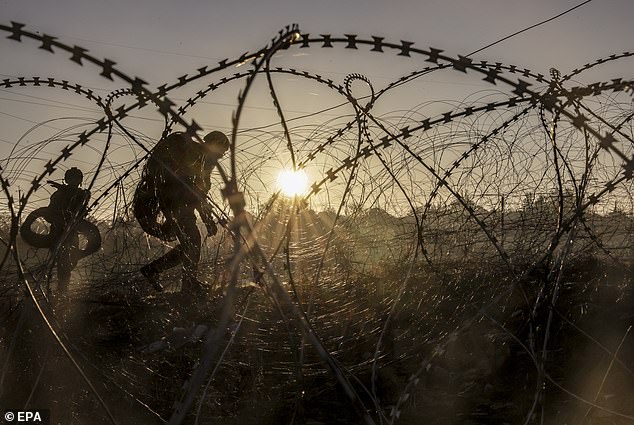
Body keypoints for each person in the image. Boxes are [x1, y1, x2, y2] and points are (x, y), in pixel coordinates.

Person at [134, 130, 230, 293]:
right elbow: (193, 188)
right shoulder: (193, 153)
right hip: (176, 205)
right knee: (192, 240)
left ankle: (154, 270)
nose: (221, 155)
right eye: (221, 150)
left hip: (182, 205)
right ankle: (188, 283)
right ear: (214, 144)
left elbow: (200, 194)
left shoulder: (205, 161)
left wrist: (207, 220)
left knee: (189, 243)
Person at [21, 167, 101, 292]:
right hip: (58, 232)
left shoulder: (82, 194)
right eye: (71, 178)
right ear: (67, 179)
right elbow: (50, 213)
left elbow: (81, 212)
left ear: (80, 180)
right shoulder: (59, 194)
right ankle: (58, 290)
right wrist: (58, 217)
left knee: (68, 262)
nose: (73, 181)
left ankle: (61, 289)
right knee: (62, 262)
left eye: (76, 178)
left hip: (72, 232)